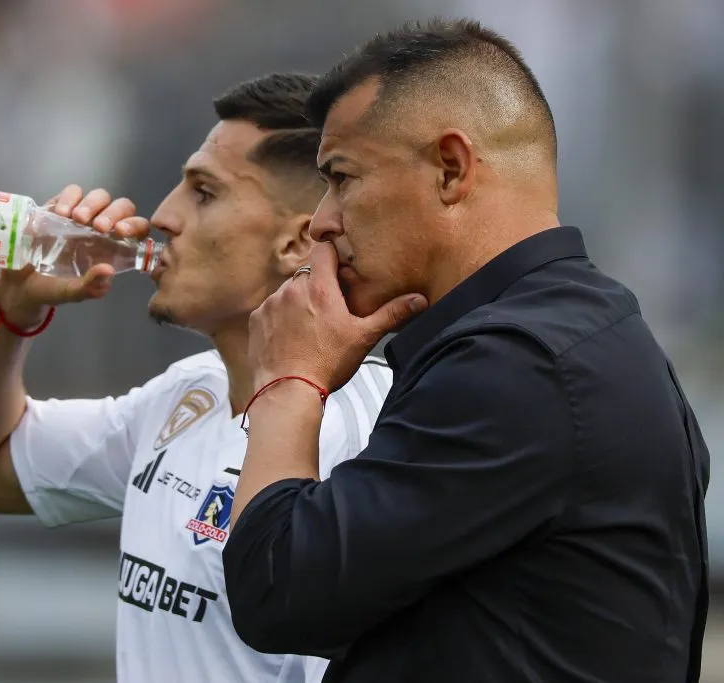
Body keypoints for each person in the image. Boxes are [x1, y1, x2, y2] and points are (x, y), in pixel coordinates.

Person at [222, 19, 710, 683]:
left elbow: (274, 589)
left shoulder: (517, 365)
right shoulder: (570, 334)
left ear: (451, 168)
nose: (321, 221)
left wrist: (288, 379)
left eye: (340, 176)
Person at [0, 73, 394, 683]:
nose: (162, 215)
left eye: (205, 193)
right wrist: (12, 308)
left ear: (297, 241)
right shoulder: (186, 396)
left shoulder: (367, 436)